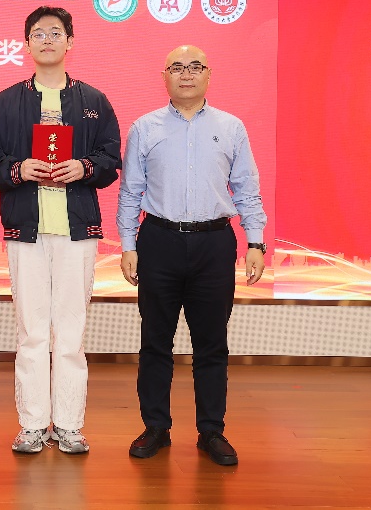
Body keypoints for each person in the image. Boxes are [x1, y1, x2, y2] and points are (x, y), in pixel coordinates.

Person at [117, 44, 267, 466]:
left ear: (208, 74)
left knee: (212, 344)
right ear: (164, 76)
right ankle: (156, 427)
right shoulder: (145, 127)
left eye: (195, 66)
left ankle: (211, 431)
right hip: (159, 241)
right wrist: (128, 245)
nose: (186, 74)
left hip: (214, 244)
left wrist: (255, 241)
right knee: (155, 342)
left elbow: (247, 188)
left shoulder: (231, 127)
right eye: (177, 67)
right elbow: (130, 192)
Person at [0, 6, 121, 454]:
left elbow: (111, 159)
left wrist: (84, 167)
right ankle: (33, 424)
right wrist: (19, 168)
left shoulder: (94, 100)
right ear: (26, 44)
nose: (47, 40)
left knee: (72, 331)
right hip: (27, 231)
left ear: (70, 42)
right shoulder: (5, 103)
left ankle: (69, 424)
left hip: (78, 231)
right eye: (38, 33)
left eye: (55, 33)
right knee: (32, 331)